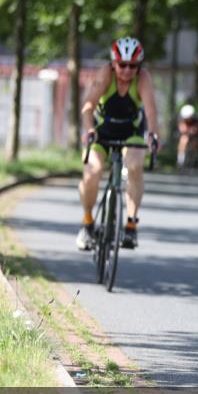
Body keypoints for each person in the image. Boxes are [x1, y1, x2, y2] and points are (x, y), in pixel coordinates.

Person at [76, 36, 159, 251]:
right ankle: (87, 224)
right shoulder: (106, 75)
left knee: (135, 167)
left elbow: (150, 110)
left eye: (133, 66)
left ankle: (131, 224)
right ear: (114, 63)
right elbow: (88, 106)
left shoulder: (143, 79)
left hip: (131, 132)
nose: (127, 70)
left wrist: (152, 135)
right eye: (122, 65)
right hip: (101, 130)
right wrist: (89, 129)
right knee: (92, 172)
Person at [176, 103, 198, 171]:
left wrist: (191, 131)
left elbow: (195, 129)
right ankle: (180, 161)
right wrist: (189, 131)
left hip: (193, 135)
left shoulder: (195, 118)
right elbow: (182, 129)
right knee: (183, 140)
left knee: (194, 144)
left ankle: (193, 160)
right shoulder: (181, 118)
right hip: (184, 134)